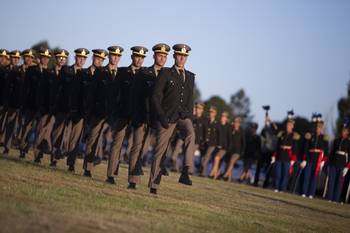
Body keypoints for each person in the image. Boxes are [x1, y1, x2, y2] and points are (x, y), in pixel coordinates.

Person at [149, 44, 195, 194]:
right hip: (167, 117)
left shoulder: (190, 76)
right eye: (179, 55)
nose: (182, 58)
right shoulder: (166, 73)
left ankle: (186, 171)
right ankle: (154, 185)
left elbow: (190, 99)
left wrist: (188, 115)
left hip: (182, 116)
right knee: (160, 151)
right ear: (174, 56)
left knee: (190, 133)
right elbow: (155, 96)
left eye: (185, 56)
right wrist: (161, 116)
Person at [127, 43, 170, 189]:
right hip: (143, 116)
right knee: (137, 147)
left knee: (158, 151)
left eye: (165, 56)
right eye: (160, 55)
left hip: (158, 119)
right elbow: (134, 95)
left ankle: (154, 185)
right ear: (154, 56)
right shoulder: (144, 73)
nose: (162, 58)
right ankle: (133, 181)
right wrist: (135, 115)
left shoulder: (168, 75)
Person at [106, 46, 147, 183]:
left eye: (142, 58)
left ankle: (133, 181)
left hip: (139, 116)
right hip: (122, 113)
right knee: (117, 143)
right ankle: (111, 175)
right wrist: (114, 113)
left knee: (136, 147)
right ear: (132, 57)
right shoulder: (122, 72)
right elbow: (113, 94)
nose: (139, 60)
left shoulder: (146, 75)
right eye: (137, 57)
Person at [81, 49, 107, 177]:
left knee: (93, 137)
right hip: (84, 109)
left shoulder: (102, 73)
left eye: (102, 60)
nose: (99, 61)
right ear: (93, 58)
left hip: (95, 110)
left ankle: (90, 164)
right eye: (98, 59)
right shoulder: (84, 72)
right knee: (88, 137)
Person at [65, 48, 90, 172]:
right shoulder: (66, 70)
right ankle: (54, 157)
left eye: (84, 58)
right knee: (61, 136)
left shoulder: (85, 74)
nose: (82, 60)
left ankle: (71, 163)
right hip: (64, 108)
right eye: (80, 57)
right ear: (75, 57)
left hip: (78, 112)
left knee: (75, 139)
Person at [300, 114, 329, 199]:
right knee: (306, 176)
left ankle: (311, 194)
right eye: (317, 127)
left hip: (318, 160)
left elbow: (326, 151)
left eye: (320, 128)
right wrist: (304, 159)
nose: (318, 129)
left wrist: (323, 161)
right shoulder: (310, 136)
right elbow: (306, 148)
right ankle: (304, 192)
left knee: (314, 178)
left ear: (322, 129)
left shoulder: (324, 138)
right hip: (309, 158)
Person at [271, 111, 300, 192]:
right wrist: (274, 155)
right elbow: (277, 146)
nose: (288, 126)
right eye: (287, 125)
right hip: (279, 156)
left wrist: (293, 159)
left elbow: (295, 148)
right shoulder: (282, 134)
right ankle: (276, 187)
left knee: (285, 175)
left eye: (290, 125)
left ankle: (282, 189)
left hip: (288, 157)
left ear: (292, 126)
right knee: (278, 174)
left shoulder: (294, 135)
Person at [326, 119, 350, 202]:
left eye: (345, 131)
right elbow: (332, 152)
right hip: (334, 162)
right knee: (331, 181)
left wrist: (347, 167)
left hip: (342, 163)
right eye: (343, 131)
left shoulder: (348, 142)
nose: (343, 132)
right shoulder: (336, 140)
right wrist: (329, 163)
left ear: (347, 132)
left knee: (339, 183)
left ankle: (335, 199)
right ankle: (329, 198)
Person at [221, 116, 245, 181]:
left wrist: (242, 152)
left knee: (232, 161)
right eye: (235, 122)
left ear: (239, 123)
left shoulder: (241, 131)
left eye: (237, 122)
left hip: (238, 151)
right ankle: (229, 178)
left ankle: (225, 175)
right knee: (230, 163)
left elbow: (243, 142)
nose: (236, 123)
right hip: (231, 150)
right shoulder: (231, 129)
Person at [209, 111, 231, 179]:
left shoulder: (228, 127)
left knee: (217, 158)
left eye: (224, 117)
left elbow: (229, 138)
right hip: (217, 146)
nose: (222, 118)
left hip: (225, 147)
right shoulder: (218, 125)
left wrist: (227, 147)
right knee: (216, 160)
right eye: (222, 116)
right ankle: (215, 175)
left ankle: (212, 173)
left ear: (226, 118)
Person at [200, 106, 219, 177]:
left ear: (215, 114)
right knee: (203, 157)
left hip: (212, 144)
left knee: (206, 157)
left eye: (212, 112)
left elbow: (218, 134)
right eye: (209, 112)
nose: (210, 113)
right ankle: (203, 173)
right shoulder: (206, 121)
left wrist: (219, 144)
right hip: (205, 142)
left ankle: (203, 170)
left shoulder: (217, 124)